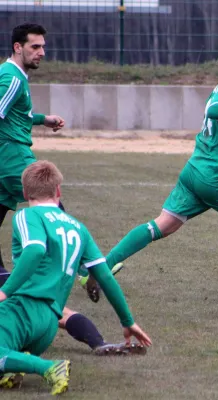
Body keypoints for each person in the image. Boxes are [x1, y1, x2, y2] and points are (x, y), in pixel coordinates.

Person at [104, 45, 218, 315]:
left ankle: (101, 269)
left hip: (195, 171)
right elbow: (213, 110)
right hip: (215, 177)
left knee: (163, 226)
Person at [0, 23, 136, 357]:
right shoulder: (11, 76)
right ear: (18, 47)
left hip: (7, 156)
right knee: (49, 200)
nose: (41, 52)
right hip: (12, 157)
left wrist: (43, 119)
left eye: (43, 47)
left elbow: (16, 113)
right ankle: (80, 270)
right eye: (35, 47)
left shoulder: (17, 77)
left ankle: (6, 278)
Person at [0, 161, 152, 395]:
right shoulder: (79, 228)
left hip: (23, 310)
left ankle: (49, 367)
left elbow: (36, 249)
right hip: (49, 323)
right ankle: (13, 368)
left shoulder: (26, 215)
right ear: (58, 192)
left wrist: (4, 291)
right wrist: (127, 321)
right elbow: (105, 277)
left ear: (24, 193)